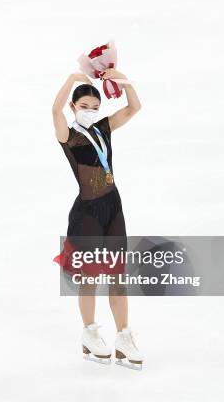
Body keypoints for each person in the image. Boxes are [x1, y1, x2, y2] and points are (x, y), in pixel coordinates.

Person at [52, 68, 144, 370]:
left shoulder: (103, 129)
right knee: (90, 278)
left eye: (94, 107)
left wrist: (122, 80)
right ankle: (89, 332)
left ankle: (123, 336)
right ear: (74, 108)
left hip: (113, 208)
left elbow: (134, 108)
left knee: (118, 278)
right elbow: (54, 109)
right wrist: (72, 80)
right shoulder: (70, 137)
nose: (90, 111)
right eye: (84, 107)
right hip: (88, 213)